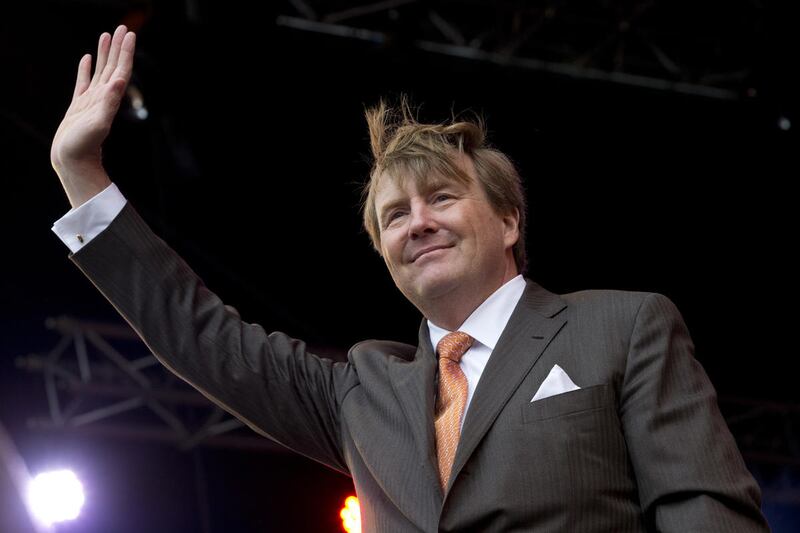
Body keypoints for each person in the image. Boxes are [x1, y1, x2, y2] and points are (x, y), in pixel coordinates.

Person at [50, 25, 770, 532]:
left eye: (442, 198)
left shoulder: (622, 325)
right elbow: (200, 335)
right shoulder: (362, 392)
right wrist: (81, 174)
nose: (416, 223)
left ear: (509, 221)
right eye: (394, 215)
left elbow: (706, 511)